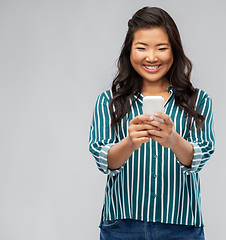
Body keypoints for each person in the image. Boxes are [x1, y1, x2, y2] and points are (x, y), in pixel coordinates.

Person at [89, 6, 215, 240]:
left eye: (161, 48)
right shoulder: (109, 102)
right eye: (142, 48)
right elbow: (103, 159)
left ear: (174, 51)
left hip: (181, 225)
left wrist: (173, 140)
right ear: (129, 52)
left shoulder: (197, 101)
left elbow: (200, 156)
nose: (151, 57)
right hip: (122, 225)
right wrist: (130, 143)